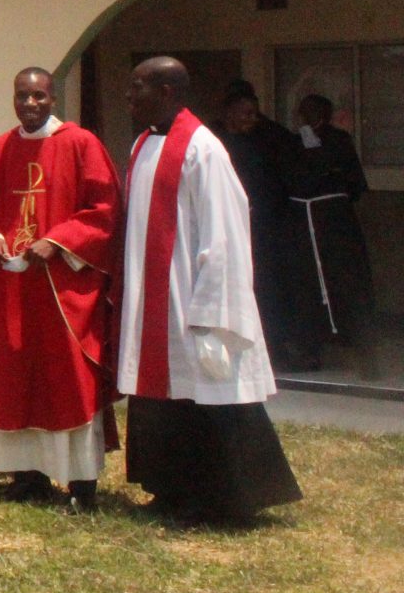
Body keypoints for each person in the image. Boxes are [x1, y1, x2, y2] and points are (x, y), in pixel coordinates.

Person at [119, 57, 301, 525]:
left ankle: (218, 499)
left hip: (192, 302)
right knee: (164, 401)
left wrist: (212, 312)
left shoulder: (203, 149)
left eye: (137, 87)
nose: (129, 95)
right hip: (154, 301)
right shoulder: (143, 144)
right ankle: (169, 488)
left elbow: (225, 236)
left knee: (205, 398)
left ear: (165, 92)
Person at [0, 67, 120, 511]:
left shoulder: (81, 144)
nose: (30, 104)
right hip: (17, 288)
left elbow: (105, 209)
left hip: (64, 289)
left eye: (39, 96)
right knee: (18, 376)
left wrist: (58, 242)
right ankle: (27, 475)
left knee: (69, 381)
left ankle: (81, 482)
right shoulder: (1, 148)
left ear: (53, 99)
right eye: (23, 96)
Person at [216, 86, 308, 368]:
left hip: (265, 228)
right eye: (246, 113)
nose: (251, 119)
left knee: (268, 289)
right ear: (229, 112)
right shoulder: (214, 142)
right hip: (226, 229)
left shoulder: (264, 140)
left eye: (255, 114)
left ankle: (274, 348)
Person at [289, 93, 375, 356]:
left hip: (335, 222)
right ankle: (316, 340)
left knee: (344, 279)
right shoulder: (293, 142)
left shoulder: (338, 140)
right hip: (305, 222)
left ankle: (355, 338)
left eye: (311, 111)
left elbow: (353, 182)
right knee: (309, 283)